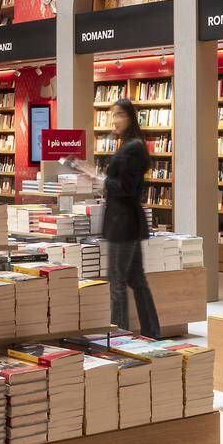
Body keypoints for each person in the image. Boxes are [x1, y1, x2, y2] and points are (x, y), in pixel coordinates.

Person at [98, 98, 162, 339]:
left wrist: (101, 181)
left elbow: (126, 187)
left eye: (119, 115)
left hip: (123, 224)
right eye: (113, 115)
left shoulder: (133, 147)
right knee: (136, 280)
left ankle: (119, 337)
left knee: (117, 282)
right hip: (125, 222)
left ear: (130, 118)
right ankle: (151, 331)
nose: (115, 120)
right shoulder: (129, 145)